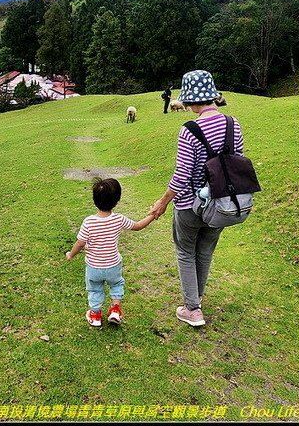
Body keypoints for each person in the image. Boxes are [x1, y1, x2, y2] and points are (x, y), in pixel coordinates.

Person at [151, 70, 244, 327]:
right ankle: (197, 299)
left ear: (191, 99)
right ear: (212, 96)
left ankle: (192, 309)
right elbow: (236, 164)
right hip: (222, 204)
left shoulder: (189, 130)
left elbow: (182, 175)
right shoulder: (232, 124)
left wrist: (162, 201)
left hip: (190, 207)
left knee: (185, 251)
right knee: (204, 251)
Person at [66, 177, 156, 327]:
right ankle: (115, 310)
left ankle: (95, 315)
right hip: (113, 264)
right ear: (117, 200)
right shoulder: (119, 219)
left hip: (94, 267)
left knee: (95, 289)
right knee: (116, 284)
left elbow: (80, 243)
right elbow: (138, 226)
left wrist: (71, 254)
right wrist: (153, 215)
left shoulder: (89, 222)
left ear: (94, 199)